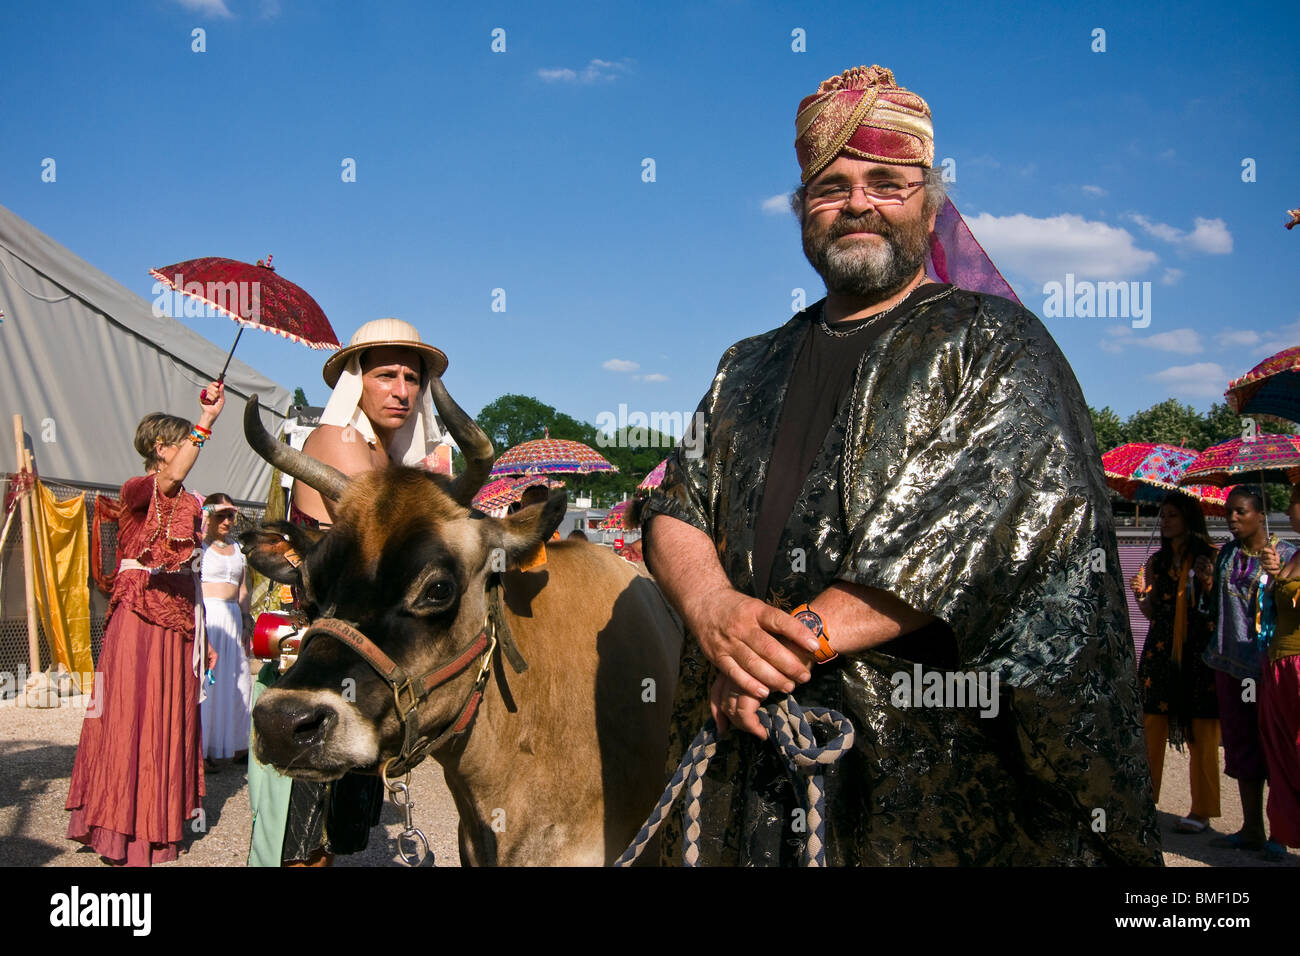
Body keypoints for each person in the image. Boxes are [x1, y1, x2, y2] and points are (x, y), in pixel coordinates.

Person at [641, 65, 1160, 865]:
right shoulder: (744, 366)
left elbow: (964, 537)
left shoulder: (997, 345)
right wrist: (714, 613)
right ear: (801, 209)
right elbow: (678, 509)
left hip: (922, 776)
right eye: (831, 185)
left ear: (932, 202)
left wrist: (772, 652)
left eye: (887, 181)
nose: (857, 201)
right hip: (749, 754)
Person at [248, 318, 448, 867]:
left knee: (333, 830)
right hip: (309, 653)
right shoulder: (339, 439)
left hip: (353, 658)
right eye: (386, 375)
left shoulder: (386, 457)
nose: (403, 390)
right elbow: (388, 533)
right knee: (298, 833)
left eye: (413, 378)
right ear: (355, 380)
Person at [65, 382, 224, 865]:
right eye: (183, 442)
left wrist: (202, 636)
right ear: (161, 448)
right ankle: (120, 827)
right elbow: (170, 481)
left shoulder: (192, 503)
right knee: (132, 718)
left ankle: (156, 825)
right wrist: (208, 419)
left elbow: (191, 569)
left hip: (178, 621)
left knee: (169, 718)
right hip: (138, 617)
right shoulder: (137, 490)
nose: (191, 450)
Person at [1204, 485, 1294, 858]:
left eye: (1241, 512)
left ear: (1261, 514)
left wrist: (1277, 576)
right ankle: (1251, 827)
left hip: (1266, 666)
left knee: (1276, 749)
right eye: (1229, 513)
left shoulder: (1285, 553)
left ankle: (1281, 831)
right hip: (1230, 665)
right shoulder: (1226, 554)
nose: (1233, 519)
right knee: (1241, 748)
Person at [1129, 493, 1220, 833]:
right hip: (1160, 653)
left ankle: (1202, 810)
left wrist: (1209, 580)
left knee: (1202, 730)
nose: (1165, 522)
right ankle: (1143, 799)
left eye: (1172, 516)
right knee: (1151, 724)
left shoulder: (1212, 557)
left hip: (1200, 654)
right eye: (1163, 516)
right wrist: (1140, 597)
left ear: (1189, 520)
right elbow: (1153, 612)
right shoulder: (1157, 562)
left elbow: (1223, 607)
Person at [198, 493, 253, 771]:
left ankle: (237, 744)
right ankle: (203, 749)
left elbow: (243, 589)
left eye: (231, 516)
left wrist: (246, 619)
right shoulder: (200, 548)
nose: (228, 521)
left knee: (239, 681)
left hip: (232, 617)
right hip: (210, 618)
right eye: (222, 515)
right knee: (210, 683)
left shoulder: (238, 550)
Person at [1262, 482, 1300, 860]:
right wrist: (1274, 575)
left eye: (1294, 503)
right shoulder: (1294, 552)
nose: (1288, 511)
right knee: (1285, 755)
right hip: (1280, 662)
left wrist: (1283, 580)